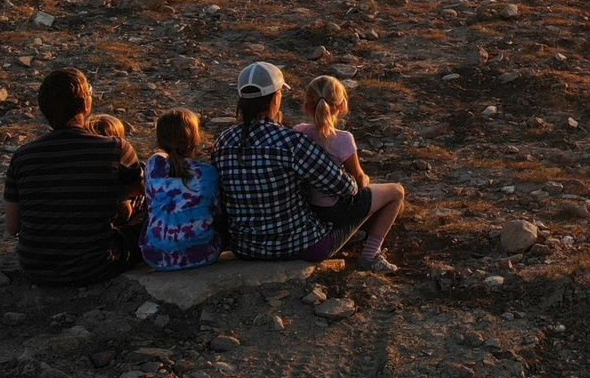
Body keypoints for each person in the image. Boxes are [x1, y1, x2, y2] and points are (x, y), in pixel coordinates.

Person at [212, 62, 404, 271]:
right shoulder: (290, 142)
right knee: (392, 194)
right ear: (276, 98)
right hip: (301, 245)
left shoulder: (223, 141)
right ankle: (370, 253)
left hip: (246, 248)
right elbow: (345, 189)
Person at [2, 68, 145, 286]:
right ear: (86, 104)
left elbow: (13, 227)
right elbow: (140, 191)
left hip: (36, 267)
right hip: (97, 264)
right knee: (152, 209)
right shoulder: (116, 148)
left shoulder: (22, 156)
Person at [140, 109, 222, 271]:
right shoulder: (208, 173)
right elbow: (216, 211)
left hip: (156, 257)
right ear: (195, 139)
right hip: (203, 255)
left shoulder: (154, 165)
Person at [294, 75, 370, 206]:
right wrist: (367, 180)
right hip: (333, 205)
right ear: (342, 106)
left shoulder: (298, 131)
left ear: (306, 106)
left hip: (306, 204)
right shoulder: (343, 139)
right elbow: (359, 178)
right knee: (396, 192)